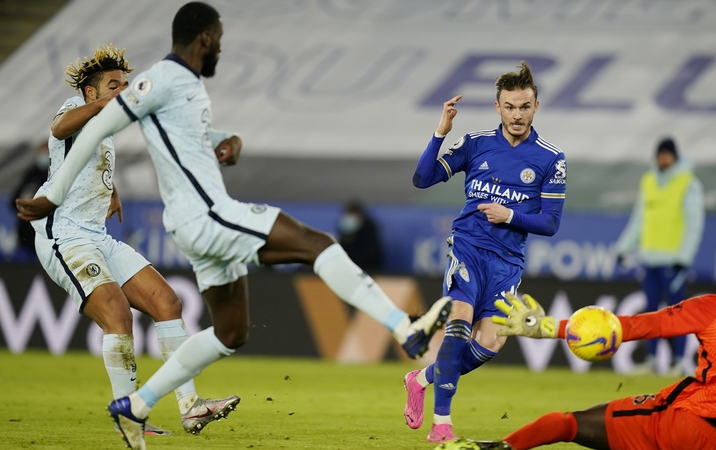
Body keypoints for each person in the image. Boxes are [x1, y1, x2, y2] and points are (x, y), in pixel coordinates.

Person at [15, 4, 451, 449]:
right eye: (219, 37)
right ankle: (405, 327)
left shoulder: (184, 88)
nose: (123, 91)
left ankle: (142, 407)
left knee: (221, 328)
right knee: (312, 243)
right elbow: (70, 128)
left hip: (138, 231)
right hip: (177, 219)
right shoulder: (145, 85)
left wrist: (226, 139)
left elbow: (177, 135)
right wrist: (53, 192)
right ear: (205, 39)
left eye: (123, 86)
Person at [26, 44, 239, 436]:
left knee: (167, 302)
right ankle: (129, 419)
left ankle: (191, 407)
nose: (124, 90)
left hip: (97, 236)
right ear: (91, 92)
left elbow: (89, 161)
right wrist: (106, 104)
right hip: (65, 236)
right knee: (118, 316)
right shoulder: (74, 105)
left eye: (126, 84)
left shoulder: (106, 125)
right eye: (113, 85)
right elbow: (59, 129)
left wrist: (111, 190)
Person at [442, 232, 716, 450]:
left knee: (569, 423)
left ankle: (497, 449)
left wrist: (547, 327)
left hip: (689, 425)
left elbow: (641, 326)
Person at [406, 61, 567, 443]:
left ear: (535, 107)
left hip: (507, 263)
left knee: (491, 342)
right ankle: (442, 424)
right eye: (509, 106)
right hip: (468, 248)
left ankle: (422, 378)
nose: (516, 114)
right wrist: (439, 133)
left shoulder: (550, 159)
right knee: (458, 327)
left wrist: (509, 214)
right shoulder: (476, 144)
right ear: (498, 107)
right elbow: (422, 178)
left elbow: (550, 223)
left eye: (524, 106)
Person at [615, 137, 704, 376]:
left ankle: (677, 362)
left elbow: (694, 224)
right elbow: (639, 220)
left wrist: (684, 258)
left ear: (675, 157)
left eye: (667, 155)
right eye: (660, 154)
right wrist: (624, 248)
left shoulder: (688, 183)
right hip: (650, 259)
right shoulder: (649, 180)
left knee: (677, 315)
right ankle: (652, 360)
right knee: (650, 315)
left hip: (673, 261)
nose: (663, 159)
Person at [9, 141, 49, 261]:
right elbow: (14, 201)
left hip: (46, 235)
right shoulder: (31, 174)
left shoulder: (58, 175)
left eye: (47, 153)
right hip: (26, 233)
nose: (44, 156)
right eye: (42, 152)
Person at [338, 200, 383, 272]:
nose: (350, 217)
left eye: (353, 214)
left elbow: (371, 252)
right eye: (349, 214)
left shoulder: (368, 228)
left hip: (368, 268)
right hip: (348, 268)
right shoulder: (344, 228)